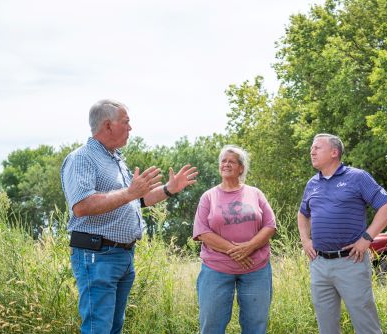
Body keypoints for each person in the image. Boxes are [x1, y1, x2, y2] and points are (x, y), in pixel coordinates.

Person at [60, 99, 198, 334]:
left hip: (122, 255)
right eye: (126, 122)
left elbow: (135, 200)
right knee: (98, 328)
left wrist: (168, 189)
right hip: (97, 255)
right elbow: (81, 206)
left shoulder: (115, 159)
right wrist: (130, 192)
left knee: (114, 327)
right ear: (108, 126)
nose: (131, 128)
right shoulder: (82, 158)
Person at [297, 133, 387, 334]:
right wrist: (305, 240)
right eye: (311, 148)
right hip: (319, 264)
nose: (312, 151)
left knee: (365, 325)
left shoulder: (357, 177)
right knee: (327, 327)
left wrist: (366, 239)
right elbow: (302, 214)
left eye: (317, 147)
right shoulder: (312, 184)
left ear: (334, 152)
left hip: (351, 262)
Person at [193, 145, 276, 334]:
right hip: (216, 268)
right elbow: (202, 232)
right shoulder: (208, 197)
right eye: (223, 161)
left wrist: (250, 247)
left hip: (256, 269)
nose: (226, 164)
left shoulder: (255, 193)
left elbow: (270, 225)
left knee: (256, 325)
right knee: (211, 324)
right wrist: (237, 251)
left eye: (231, 161)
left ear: (241, 168)